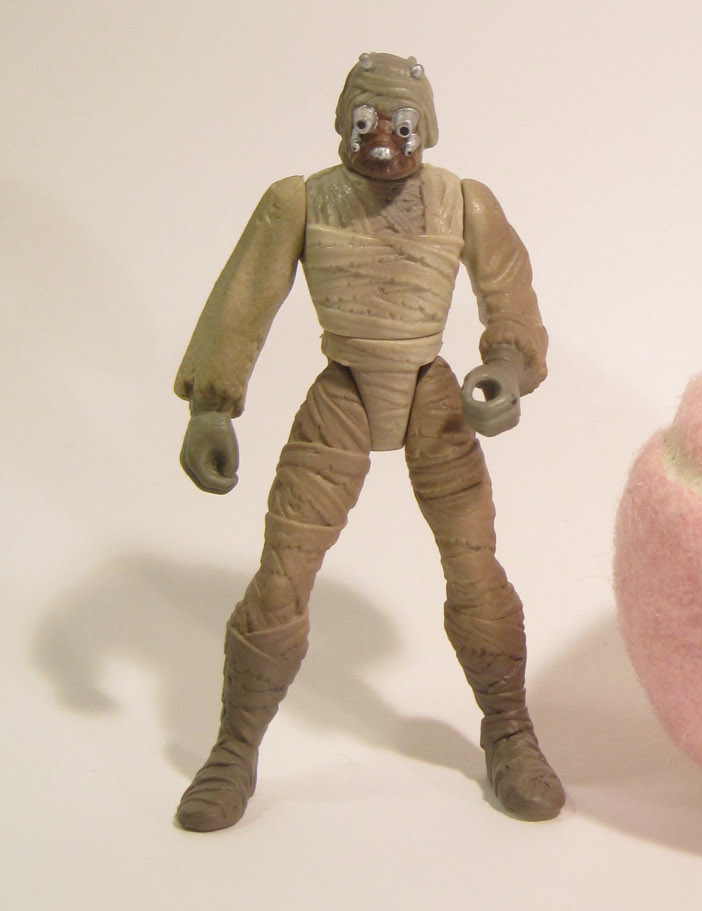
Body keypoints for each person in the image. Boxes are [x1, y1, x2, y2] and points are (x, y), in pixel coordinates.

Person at [174, 51, 564, 830]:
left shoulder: (462, 201)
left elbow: (511, 298)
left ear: (429, 128)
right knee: (282, 574)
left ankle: (510, 730)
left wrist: (506, 369)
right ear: (341, 123)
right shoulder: (301, 201)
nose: (383, 139)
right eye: (366, 121)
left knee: (475, 569)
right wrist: (211, 407)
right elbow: (244, 301)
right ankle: (233, 748)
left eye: (402, 123)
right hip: (345, 391)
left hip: (431, 396)